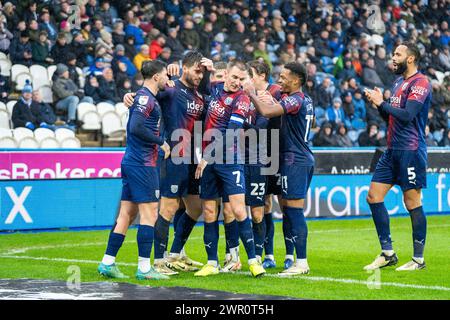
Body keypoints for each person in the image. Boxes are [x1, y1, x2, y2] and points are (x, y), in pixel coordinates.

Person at [97, 60, 171, 281]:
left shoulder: (143, 97)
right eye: (165, 75)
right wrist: (161, 142)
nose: (167, 79)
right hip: (142, 164)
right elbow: (136, 127)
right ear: (156, 76)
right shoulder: (146, 98)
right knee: (149, 215)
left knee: (126, 215)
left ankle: (107, 262)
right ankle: (144, 268)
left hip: (132, 161)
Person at [193, 60, 266, 278]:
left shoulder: (242, 99)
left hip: (230, 160)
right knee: (208, 212)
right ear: (225, 75)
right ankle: (211, 263)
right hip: (208, 162)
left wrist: (207, 156)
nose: (237, 82)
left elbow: (232, 132)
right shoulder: (214, 89)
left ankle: (253, 261)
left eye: (241, 79)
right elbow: (201, 85)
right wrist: (208, 70)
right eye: (234, 77)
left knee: (238, 210)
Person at [364, 42, 431, 271]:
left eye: (397, 54)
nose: (393, 57)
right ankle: (388, 252)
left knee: (412, 201)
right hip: (392, 150)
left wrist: (382, 102)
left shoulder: (420, 82)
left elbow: (408, 115)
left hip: (410, 151)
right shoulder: (398, 82)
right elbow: (391, 118)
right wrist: (378, 105)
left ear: (410, 59)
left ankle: (418, 259)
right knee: (373, 196)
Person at [244, 62, 315, 276]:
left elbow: (265, 111)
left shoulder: (296, 99)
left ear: (296, 80)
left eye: (283, 77)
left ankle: (301, 262)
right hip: (301, 158)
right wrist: (273, 100)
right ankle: (296, 260)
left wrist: (252, 95)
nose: (279, 80)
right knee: (291, 211)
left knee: (293, 211)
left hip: (294, 160)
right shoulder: (305, 100)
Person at [52, 64, 93, 128]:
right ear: (62, 73)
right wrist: (74, 93)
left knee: (88, 99)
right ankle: (71, 119)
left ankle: (84, 118)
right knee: (74, 98)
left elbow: (76, 89)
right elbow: (62, 94)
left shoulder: (69, 80)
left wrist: (79, 93)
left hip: (72, 100)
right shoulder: (57, 82)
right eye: (66, 71)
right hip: (60, 102)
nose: (68, 72)